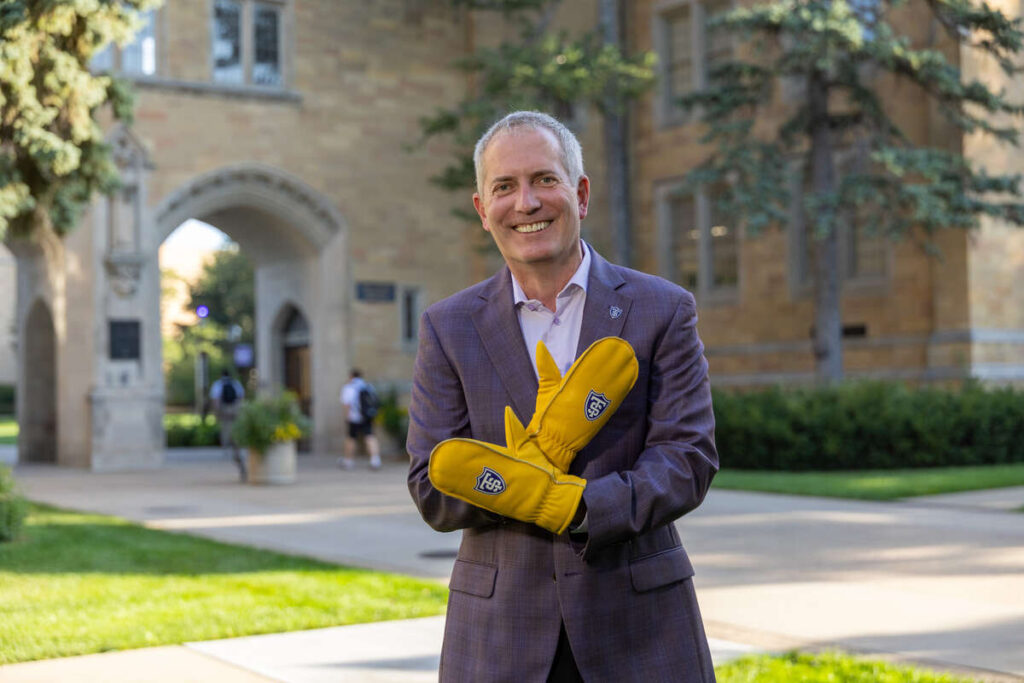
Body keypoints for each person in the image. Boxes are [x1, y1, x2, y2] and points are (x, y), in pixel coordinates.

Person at [406, 111, 719, 681]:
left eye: (544, 180)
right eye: (504, 186)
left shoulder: (662, 309)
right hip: (500, 639)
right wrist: (518, 481)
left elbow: (686, 460)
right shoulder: (448, 326)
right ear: (482, 209)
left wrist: (574, 507)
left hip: (640, 630)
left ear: (580, 193)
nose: (525, 203)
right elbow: (432, 487)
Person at [340, 369, 382, 470]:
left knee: (351, 438)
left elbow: (347, 404)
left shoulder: (349, 387)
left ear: (351, 376)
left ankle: (348, 460)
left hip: (354, 417)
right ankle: (375, 460)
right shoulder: (367, 386)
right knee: (370, 436)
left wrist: (347, 417)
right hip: (367, 416)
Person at [210, 369, 246, 480]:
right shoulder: (235, 383)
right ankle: (237, 451)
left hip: (225, 413)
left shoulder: (218, 384)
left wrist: (217, 414)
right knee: (236, 436)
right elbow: (241, 398)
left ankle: (231, 449)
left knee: (228, 434)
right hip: (236, 413)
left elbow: (215, 400)